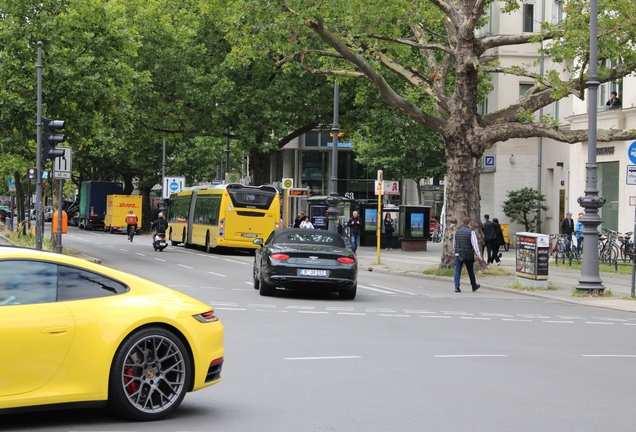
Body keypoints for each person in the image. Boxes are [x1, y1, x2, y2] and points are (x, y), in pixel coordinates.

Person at [453, 217, 483, 293]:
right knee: (470, 270)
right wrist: (478, 254)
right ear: (469, 223)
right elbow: (474, 243)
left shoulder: (457, 232)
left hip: (458, 253)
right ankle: (474, 285)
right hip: (468, 253)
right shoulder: (471, 232)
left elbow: (454, 243)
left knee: (457, 270)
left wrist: (456, 250)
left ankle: (457, 287)